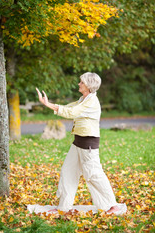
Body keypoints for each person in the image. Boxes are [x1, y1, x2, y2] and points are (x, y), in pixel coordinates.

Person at [36, 72, 127, 215]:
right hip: (78, 142)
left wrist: (48, 104)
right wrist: (49, 104)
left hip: (88, 144)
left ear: (89, 85)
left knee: (94, 174)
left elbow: (72, 112)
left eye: (82, 82)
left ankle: (112, 204)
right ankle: (64, 208)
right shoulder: (83, 99)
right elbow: (68, 107)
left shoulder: (91, 101)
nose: (79, 84)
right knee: (68, 172)